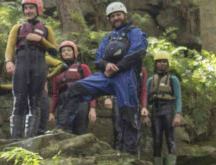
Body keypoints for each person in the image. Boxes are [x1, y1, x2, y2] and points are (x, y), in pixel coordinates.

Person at [54, 2, 147, 154]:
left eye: (118, 15)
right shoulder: (108, 38)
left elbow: (138, 52)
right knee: (75, 88)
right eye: (113, 16)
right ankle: (61, 128)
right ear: (109, 19)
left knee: (128, 114)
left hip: (126, 76)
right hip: (106, 76)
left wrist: (118, 67)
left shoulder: (134, 32)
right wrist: (107, 66)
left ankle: (130, 155)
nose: (116, 18)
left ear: (124, 15)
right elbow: (98, 59)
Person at [4, 0, 58, 138]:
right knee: (19, 99)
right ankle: (16, 137)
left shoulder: (46, 29)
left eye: (31, 8)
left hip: (39, 64)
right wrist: (9, 61)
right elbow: (10, 47)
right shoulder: (17, 28)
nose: (28, 11)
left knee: (35, 101)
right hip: (22, 63)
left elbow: (54, 51)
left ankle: (31, 138)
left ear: (38, 9)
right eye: (26, 8)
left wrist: (40, 40)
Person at [48, 41, 96, 135]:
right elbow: (55, 94)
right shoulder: (57, 72)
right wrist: (51, 112)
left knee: (80, 131)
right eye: (63, 51)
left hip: (80, 103)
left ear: (74, 53)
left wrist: (92, 108)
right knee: (64, 132)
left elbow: (91, 89)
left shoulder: (83, 68)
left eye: (69, 50)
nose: (66, 52)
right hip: (63, 104)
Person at [145, 51, 182, 165]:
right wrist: (146, 115)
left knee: (170, 138)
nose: (162, 64)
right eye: (159, 62)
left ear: (167, 63)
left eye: (164, 62)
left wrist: (177, 114)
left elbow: (178, 97)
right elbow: (146, 99)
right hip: (155, 111)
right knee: (157, 139)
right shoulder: (151, 80)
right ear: (155, 64)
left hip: (168, 110)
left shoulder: (173, 79)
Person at [103, 64, 147, 154]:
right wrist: (107, 97)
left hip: (134, 100)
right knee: (119, 128)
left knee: (133, 128)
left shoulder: (141, 69)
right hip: (118, 98)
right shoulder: (117, 64)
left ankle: (132, 156)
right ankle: (118, 154)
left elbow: (143, 89)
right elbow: (109, 80)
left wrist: (144, 106)